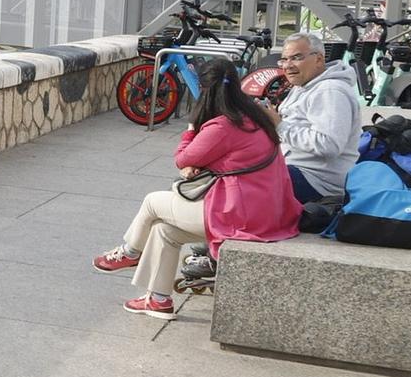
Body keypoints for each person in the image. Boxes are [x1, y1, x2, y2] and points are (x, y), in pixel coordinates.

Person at [94, 58, 301, 316]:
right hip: (267, 211)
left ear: (204, 90)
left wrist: (191, 129)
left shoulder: (224, 126)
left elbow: (183, 158)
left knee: (152, 202)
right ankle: (158, 299)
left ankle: (130, 251)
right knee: (163, 230)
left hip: (241, 217)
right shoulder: (256, 118)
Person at [266, 30, 360, 202]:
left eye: (296, 58)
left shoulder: (330, 91)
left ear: (318, 59)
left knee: (244, 179)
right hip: (295, 169)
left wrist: (280, 125)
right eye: (284, 59)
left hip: (317, 181)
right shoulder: (304, 85)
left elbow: (329, 145)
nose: (288, 65)